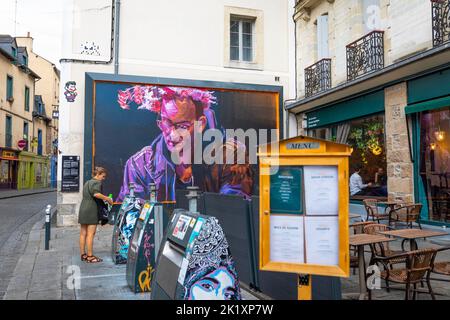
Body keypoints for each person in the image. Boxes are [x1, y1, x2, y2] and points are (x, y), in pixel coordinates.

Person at [116, 86, 253, 202]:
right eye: (166, 124)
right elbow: (129, 220)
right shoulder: (139, 165)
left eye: (183, 126)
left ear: (201, 124)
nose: (173, 135)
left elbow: (232, 212)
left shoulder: (231, 155)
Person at [78, 166, 113, 263]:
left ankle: (83, 254)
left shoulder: (87, 182)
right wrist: (107, 199)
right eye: (103, 176)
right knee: (90, 234)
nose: (103, 178)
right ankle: (90, 256)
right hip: (91, 209)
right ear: (98, 174)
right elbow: (96, 194)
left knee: (83, 233)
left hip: (83, 208)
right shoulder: (97, 182)